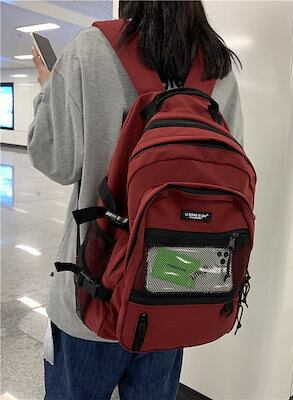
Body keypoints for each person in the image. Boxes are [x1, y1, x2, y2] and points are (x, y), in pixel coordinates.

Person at [29, 1, 243, 399]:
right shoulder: (219, 66)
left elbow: (55, 160)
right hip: (175, 284)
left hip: (93, 292)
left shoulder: (91, 49)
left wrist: (47, 88)